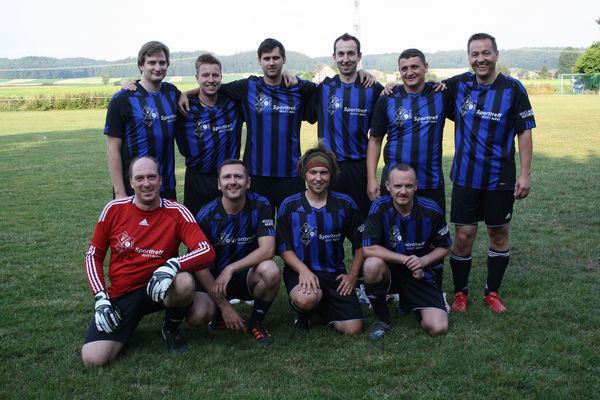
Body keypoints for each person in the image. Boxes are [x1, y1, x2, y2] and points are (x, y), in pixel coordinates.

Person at [81, 156, 215, 367]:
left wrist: (173, 265)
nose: (146, 183)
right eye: (140, 178)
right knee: (94, 359)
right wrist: (100, 298)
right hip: (123, 293)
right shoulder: (114, 209)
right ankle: (126, 323)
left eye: (152, 177)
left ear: (160, 180)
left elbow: (206, 251)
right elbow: (93, 256)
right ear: (131, 182)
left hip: (160, 287)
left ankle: (170, 329)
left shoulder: (176, 211)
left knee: (186, 285)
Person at [444, 33, 535, 314]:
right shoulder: (458, 85)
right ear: (469, 57)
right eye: (475, 54)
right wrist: (387, 87)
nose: (480, 59)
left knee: (498, 232)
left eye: (486, 53)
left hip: (500, 177)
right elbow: (421, 87)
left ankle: (492, 292)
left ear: (496, 55)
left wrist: (525, 174)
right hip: (465, 177)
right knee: (463, 236)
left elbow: (524, 131)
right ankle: (461, 293)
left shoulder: (513, 88)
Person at [367, 48, 451, 289]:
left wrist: (442, 84)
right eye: (404, 68)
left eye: (415, 67)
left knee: (434, 237)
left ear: (425, 67)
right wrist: (371, 178)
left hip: (430, 180)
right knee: (390, 233)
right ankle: (392, 287)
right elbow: (375, 140)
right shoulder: (388, 98)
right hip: (395, 182)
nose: (410, 72)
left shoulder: (442, 95)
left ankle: (435, 289)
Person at [188, 159, 280, 345]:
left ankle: (256, 322)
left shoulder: (261, 205)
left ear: (248, 182)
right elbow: (198, 265)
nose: (232, 181)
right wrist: (224, 306)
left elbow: (268, 249)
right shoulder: (206, 215)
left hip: (246, 276)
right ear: (219, 183)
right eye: (227, 177)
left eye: (238, 176)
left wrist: (230, 269)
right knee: (197, 317)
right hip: (215, 280)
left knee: (271, 270)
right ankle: (218, 314)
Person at [277, 143, 364, 335]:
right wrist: (303, 271)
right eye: (313, 172)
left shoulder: (345, 204)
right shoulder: (290, 205)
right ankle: (304, 313)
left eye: (324, 172)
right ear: (304, 174)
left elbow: (361, 243)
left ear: (331, 174)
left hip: (334, 275)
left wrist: (352, 275)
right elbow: (284, 247)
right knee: (306, 299)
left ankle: (322, 306)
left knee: (353, 329)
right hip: (300, 273)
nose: (318, 178)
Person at [361, 164, 451, 341]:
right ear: (388, 186)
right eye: (398, 186)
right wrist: (406, 260)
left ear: (416, 186)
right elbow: (368, 248)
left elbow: (446, 246)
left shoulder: (431, 209)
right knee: (371, 265)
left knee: (439, 328)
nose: (403, 191)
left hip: (419, 273)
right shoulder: (379, 207)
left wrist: (423, 261)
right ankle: (382, 319)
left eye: (408, 186)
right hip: (390, 271)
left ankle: (414, 304)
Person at [306, 33, 384, 219]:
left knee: (362, 224)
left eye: (351, 53)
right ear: (334, 56)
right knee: (328, 223)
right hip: (329, 168)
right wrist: (286, 74)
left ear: (359, 56)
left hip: (360, 169)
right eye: (341, 54)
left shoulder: (373, 89)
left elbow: (399, 93)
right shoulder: (323, 88)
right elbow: (293, 89)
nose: (345, 59)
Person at [105, 41, 180, 200]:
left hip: (166, 186)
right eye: (152, 62)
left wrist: (187, 94)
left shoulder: (172, 93)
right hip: (133, 188)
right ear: (141, 65)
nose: (158, 68)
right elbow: (113, 149)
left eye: (162, 62)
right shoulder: (122, 99)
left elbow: (205, 92)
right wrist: (120, 193)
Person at [174, 53, 244, 217]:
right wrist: (132, 84)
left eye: (215, 75)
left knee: (228, 227)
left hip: (228, 179)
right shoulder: (183, 107)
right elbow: (151, 93)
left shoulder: (234, 104)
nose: (210, 80)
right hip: (196, 180)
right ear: (197, 77)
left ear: (221, 77)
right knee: (197, 227)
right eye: (205, 75)